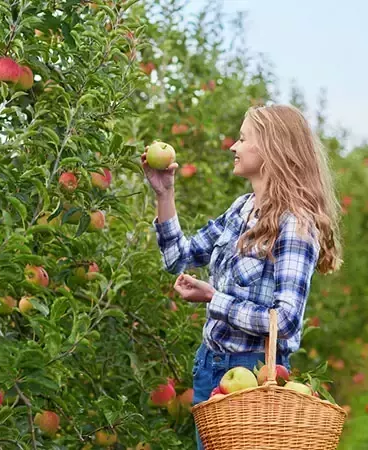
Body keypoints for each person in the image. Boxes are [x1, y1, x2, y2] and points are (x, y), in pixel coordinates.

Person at [142, 104, 343, 449]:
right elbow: (179, 258)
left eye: (243, 138)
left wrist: (213, 299)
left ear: (271, 148)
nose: (233, 147)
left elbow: (287, 320)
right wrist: (164, 193)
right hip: (209, 366)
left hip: (254, 377)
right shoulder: (242, 208)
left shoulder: (294, 224)